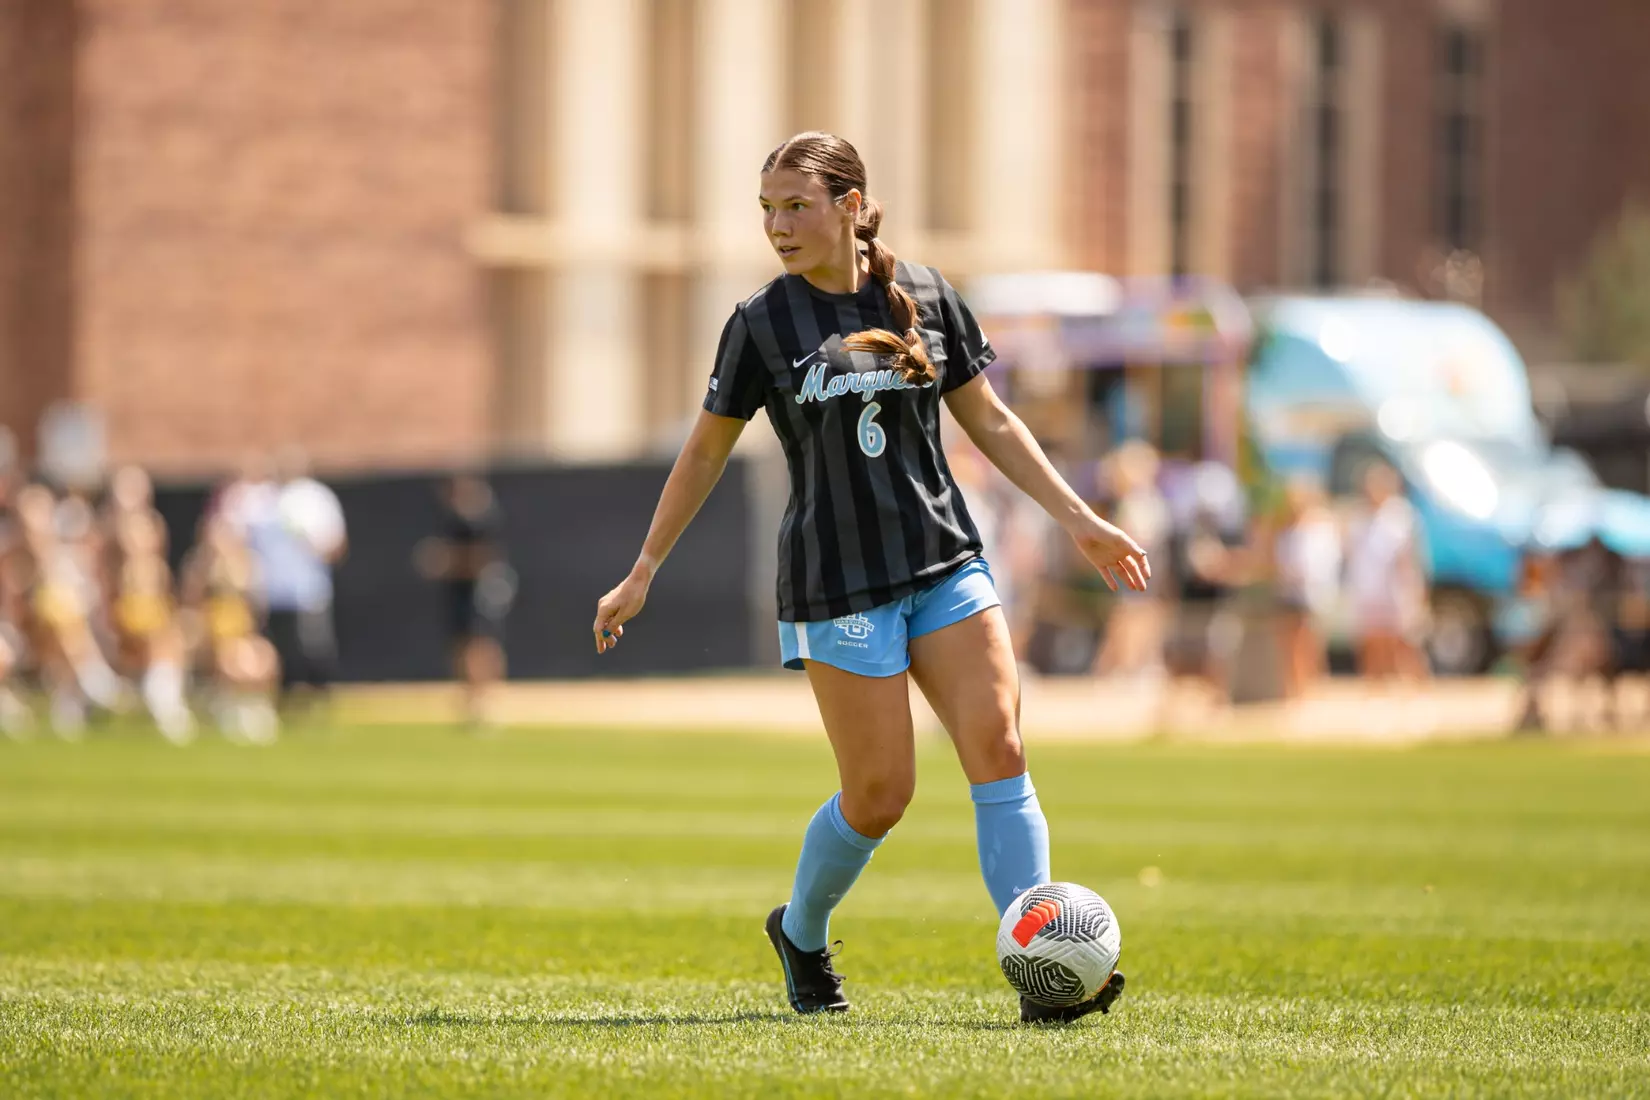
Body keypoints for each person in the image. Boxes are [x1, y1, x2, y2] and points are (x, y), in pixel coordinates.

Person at [591, 132, 1150, 1024]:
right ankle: (801, 932)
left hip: (944, 561)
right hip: (835, 584)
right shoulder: (760, 324)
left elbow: (993, 421)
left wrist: (1078, 519)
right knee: (882, 794)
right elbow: (703, 451)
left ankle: (1045, 967)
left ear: (851, 203)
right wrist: (644, 567)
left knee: (1000, 750)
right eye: (768, 209)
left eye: (797, 205)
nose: (778, 225)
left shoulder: (926, 295)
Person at [241, 449, 347, 713]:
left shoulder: (316, 498)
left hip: (307, 589)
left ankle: (319, 699)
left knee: (313, 647)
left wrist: (314, 547)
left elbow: (335, 544)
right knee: (279, 650)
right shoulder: (264, 500)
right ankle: (284, 701)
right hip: (273, 591)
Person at [415, 473, 514, 727]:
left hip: (477, 592)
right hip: (459, 593)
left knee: (479, 645)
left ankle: (483, 701)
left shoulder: (476, 518)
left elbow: (483, 558)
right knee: (463, 645)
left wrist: (445, 562)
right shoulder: (453, 518)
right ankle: (471, 700)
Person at [1345, 462, 1429, 682]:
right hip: (1369, 588)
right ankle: (1376, 682)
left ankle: (1416, 682)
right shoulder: (1360, 517)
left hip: (1396, 588)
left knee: (1404, 640)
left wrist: (1413, 588)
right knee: (1372, 640)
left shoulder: (1400, 514)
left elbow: (1410, 554)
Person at [1271, 476, 1341, 701]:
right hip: (1289, 592)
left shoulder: (1320, 529)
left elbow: (1324, 564)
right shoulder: (1285, 530)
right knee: (1289, 644)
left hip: (1311, 593)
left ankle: (1310, 687)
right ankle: (1294, 688)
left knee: (1308, 643)